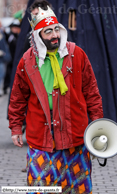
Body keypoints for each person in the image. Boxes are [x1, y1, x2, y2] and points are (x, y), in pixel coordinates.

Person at [8, 0, 103, 193]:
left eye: (56, 30)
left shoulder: (78, 54)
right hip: (41, 140)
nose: (54, 35)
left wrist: (98, 125)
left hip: (75, 137)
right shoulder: (27, 61)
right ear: (38, 35)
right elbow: (18, 97)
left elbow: (92, 93)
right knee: (39, 189)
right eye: (48, 32)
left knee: (76, 189)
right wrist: (16, 127)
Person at [0, 21, 11, 96]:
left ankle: (1, 88)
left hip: (3, 57)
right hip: (2, 57)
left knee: (2, 74)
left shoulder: (2, 32)